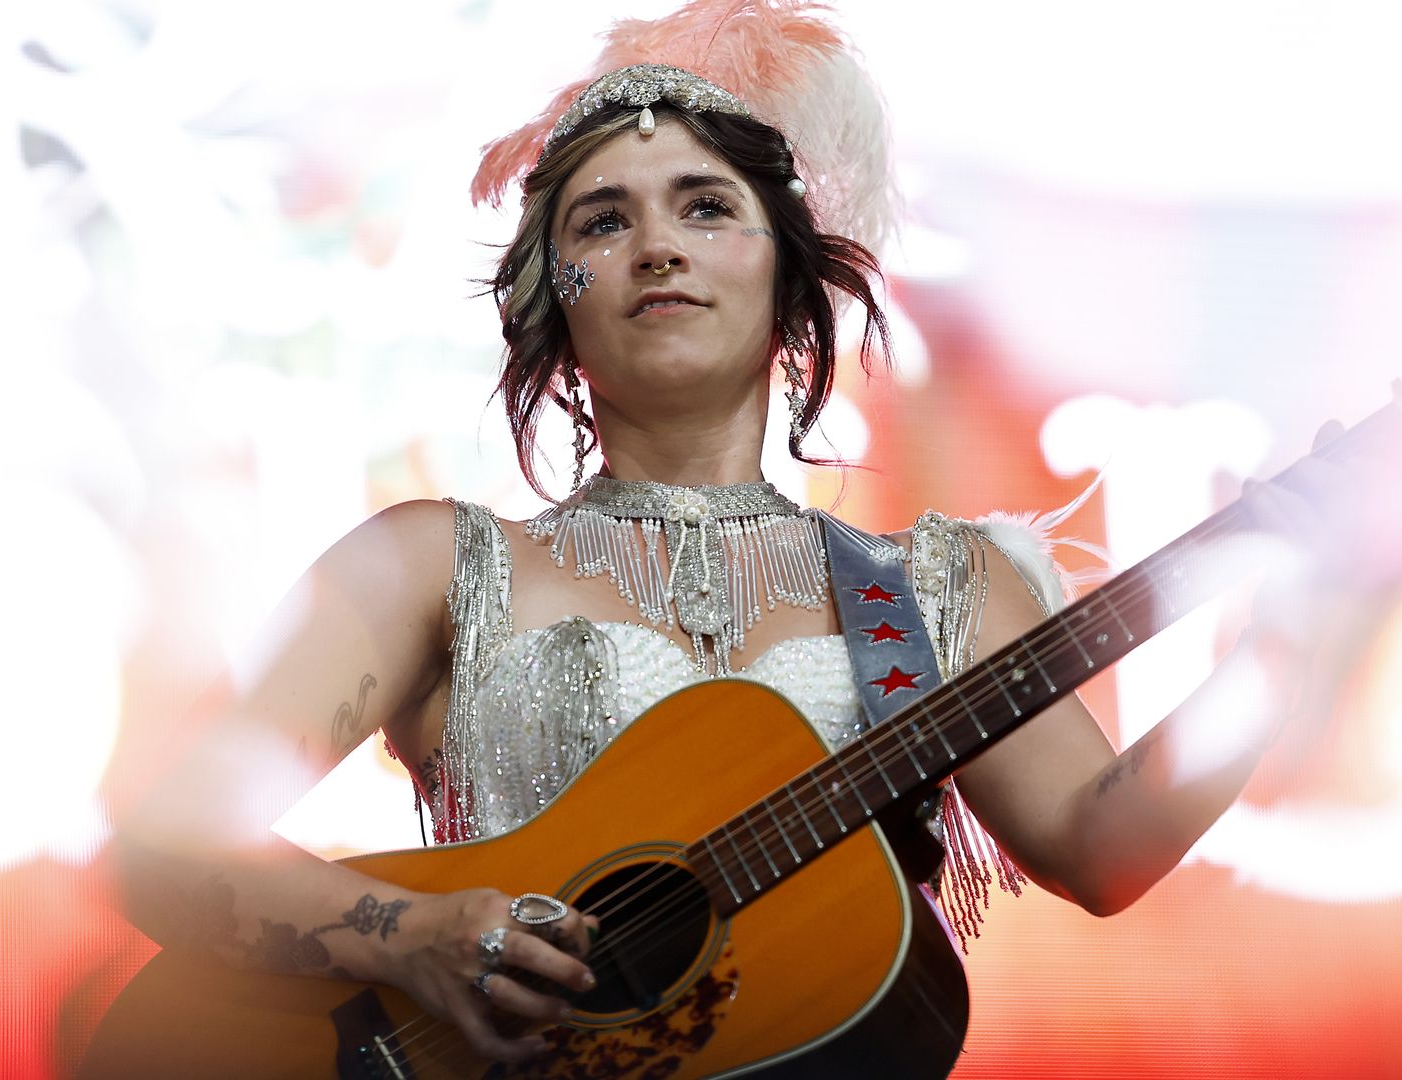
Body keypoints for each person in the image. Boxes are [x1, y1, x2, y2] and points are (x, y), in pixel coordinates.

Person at [104, 0, 1339, 1069]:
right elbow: (169, 835)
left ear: (791, 273)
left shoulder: (934, 591)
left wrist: (1288, 643)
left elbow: (1105, 847)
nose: (655, 246)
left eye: (705, 205)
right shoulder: (429, 563)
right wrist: (416, 937)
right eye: (600, 222)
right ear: (550, 301)